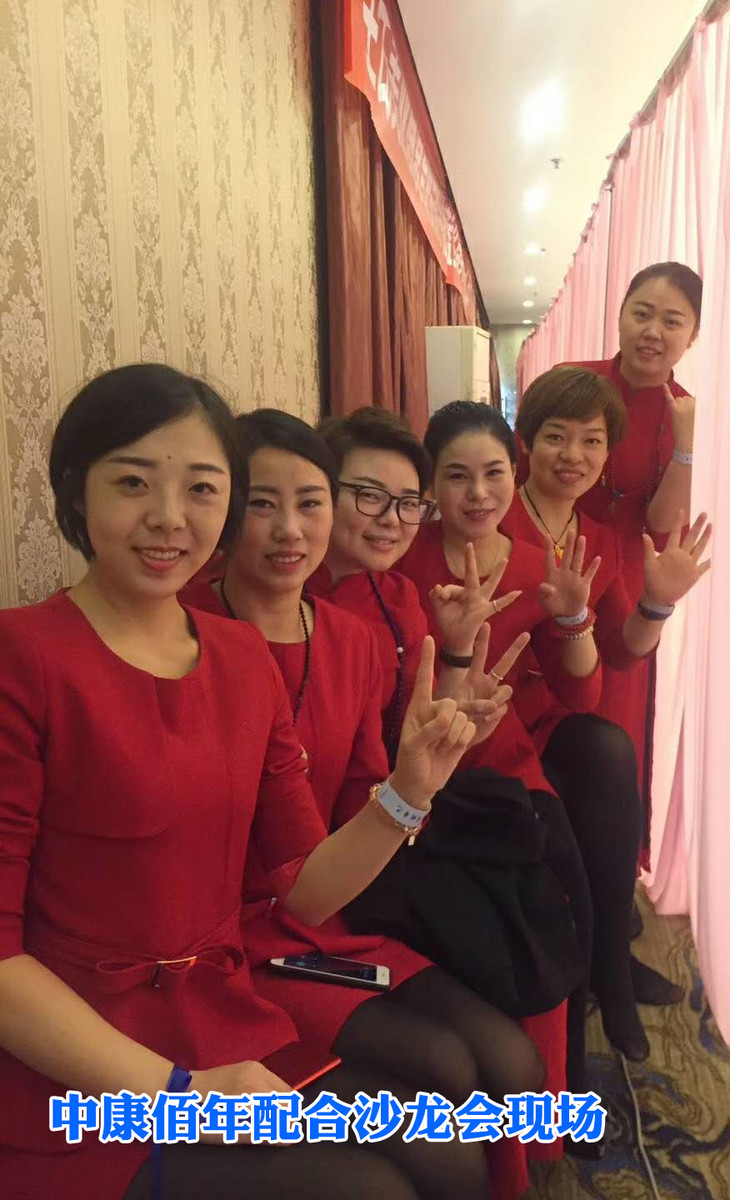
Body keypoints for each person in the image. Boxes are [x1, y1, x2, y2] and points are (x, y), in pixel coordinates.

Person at [0, 366, 487, 1200]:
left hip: (217, 1019)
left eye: (201, 487)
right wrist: (178, 1096)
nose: (169, 517)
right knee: (368, 1188)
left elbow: (304, 890)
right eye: (132, 483)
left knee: (449, 1150)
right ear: (77, 492)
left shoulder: (238, 657)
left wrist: (409, 791)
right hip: (75, 1065)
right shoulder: (24, 657)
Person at [181, 409, 544, 1118]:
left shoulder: (350, 639)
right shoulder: (185, 633)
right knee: (444, 1067)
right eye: (263, 504)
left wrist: (423, 776)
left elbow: (366, 803)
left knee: (511, 1060)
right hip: (221, 937)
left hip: (327, 906)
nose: (290, 531)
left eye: (309, 504)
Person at [310, 407, 575, 1181]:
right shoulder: (270, 613)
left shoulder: (394, 595)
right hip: (351, 854)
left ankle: (548, 1137)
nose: (390, 519)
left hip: (400, 820)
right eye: (367, 496)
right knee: (513, 926)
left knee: (544, 887)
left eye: (405, 502)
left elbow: (411, 741)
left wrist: (459, 661)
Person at [401, 399, 710, 1063]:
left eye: (591, 441)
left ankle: (598, 996)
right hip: (430, 749)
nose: (478, 493)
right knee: (541, 855)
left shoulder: (552, 552)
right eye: (456, 476)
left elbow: (592, 681)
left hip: (514, 733)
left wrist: (588, 614)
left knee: (599, 771)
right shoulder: (406, 557)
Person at [555, 261, 703, 866]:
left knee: (615, 722)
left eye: (672, 321)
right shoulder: (574, 383)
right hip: (560, 557)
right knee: (550, 704)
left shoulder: (682, 407)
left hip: (632, 580)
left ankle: (607, 866)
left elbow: (662, 522)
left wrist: (685, 446)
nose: (653, 332)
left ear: (692, 335)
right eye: (641, 313)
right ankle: (547, 861)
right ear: (619, 315)